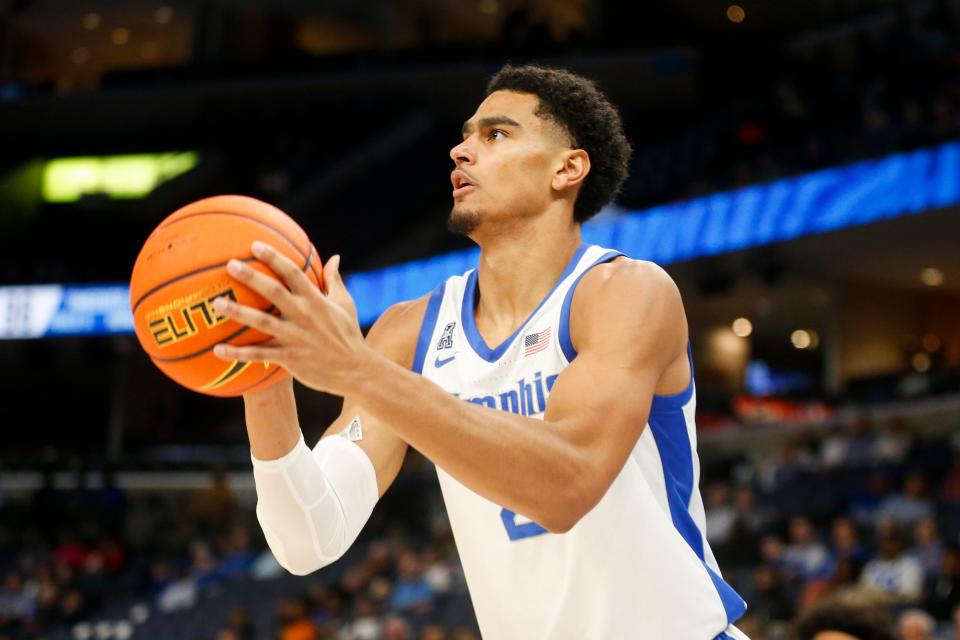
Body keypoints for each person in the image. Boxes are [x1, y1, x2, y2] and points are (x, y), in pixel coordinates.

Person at [213, 64, 748, 638]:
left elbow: (567, 485)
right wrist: (261, 367)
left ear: (567, 168)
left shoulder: (624, 293)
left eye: (495, 135)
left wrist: (358, 370)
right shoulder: (406, 332)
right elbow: (308, 537)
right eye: (465, 135)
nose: (460, 151)